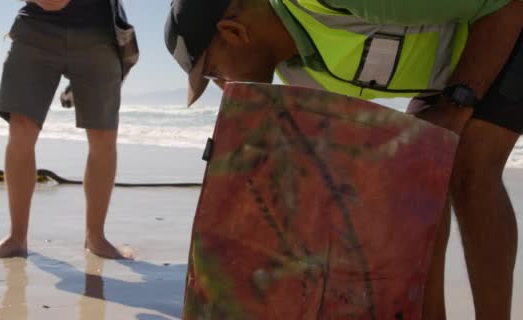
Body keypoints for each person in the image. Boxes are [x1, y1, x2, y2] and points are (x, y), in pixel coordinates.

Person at [164, 0, 522, 319]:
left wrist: (457, 104)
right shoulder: (294, 70)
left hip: (508, 23)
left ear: (234, 31)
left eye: (213, 74)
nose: (225, 89)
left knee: (469, 166)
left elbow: (505, 6)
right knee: (423, 166)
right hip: (453, 65)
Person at [0, 0, 139, 259]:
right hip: (35, 31)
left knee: (103, 136)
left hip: (99, 34)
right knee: (21, 132)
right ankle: (17, 237)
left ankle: (95, 238)